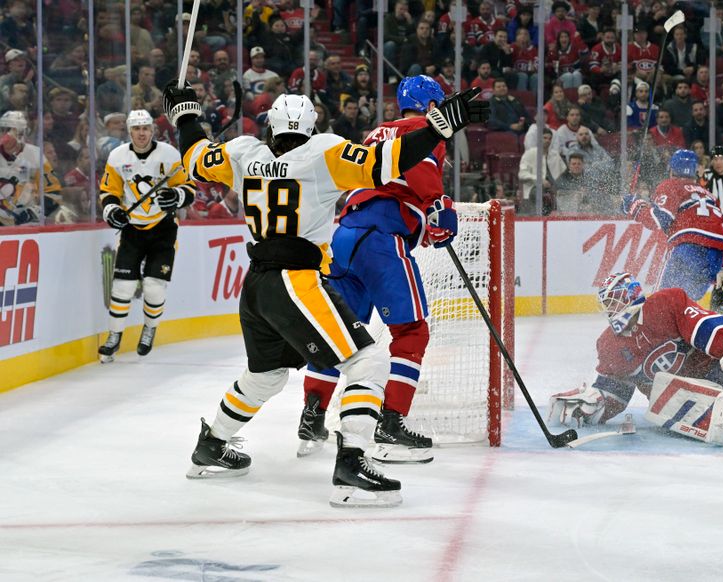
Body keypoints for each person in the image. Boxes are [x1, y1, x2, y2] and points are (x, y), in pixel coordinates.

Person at [162, 80, 487, 506]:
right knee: (367, 359)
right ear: (312, 126)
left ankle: (212, 444)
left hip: (256, 283)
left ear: (270, 126)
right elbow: (388, 161)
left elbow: (194, 156)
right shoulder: (324, 153)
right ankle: (352, 461)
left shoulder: (244, 152)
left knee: (266, 375)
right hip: (296, 279)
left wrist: (185, 112)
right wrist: (435, 129)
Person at [298, 76, 452, 464]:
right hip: (380, 239)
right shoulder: (423, 127)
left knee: (337, 335)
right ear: (432, 104)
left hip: (345, 237)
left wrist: (424, 225)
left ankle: (312, 417)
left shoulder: (374, 133)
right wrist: (438, 205)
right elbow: (417, 169)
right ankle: (391, 423)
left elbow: (388, 182)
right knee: (412, 331)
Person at [548, 272, 723, 447]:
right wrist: (593, 405)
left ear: (630, 295)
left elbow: (710, 328)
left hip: (712, 368)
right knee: (665, 395)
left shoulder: (666, 303)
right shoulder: (609, 344)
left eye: (614, 302)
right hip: (679, 402)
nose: (611, 311)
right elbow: (615, 393)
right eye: (608, 306)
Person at [97, 110, 197, 361]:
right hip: (132, 229)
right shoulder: (118, 157)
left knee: (153, 287)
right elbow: (109, 190)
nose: (142, 133)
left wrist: (177, 197)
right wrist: (112, 210)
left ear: (152, 130)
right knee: (123, 286)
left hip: (163, 228)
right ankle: (114, 336)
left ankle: (150, 328)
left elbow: (188, 188)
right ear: (129, 131)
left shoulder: (170, 155)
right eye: (136, 129)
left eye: (146, 128)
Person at [624, 149, 723, 301]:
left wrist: (634, 206)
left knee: (663, 301)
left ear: (671, 168)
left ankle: (653, 323)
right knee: (686, 302)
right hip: (714, 258)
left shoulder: (671, 185)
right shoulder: (707, 194)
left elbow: (659, 219)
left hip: (688, 248)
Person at [0, 110, 63, 226]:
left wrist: (33, 212)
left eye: (9, 129)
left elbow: (54, 193)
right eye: (2, 129)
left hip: (28, 225)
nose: (5, 134)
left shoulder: (35, 155)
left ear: (21, 133)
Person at [700, 145, 723, 315]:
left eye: (722, 158)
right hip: (707, 229)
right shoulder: (706, 177)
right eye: (715, 158)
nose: (719, 161)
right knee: (703, 265)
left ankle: (718, 302)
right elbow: (698, 196)